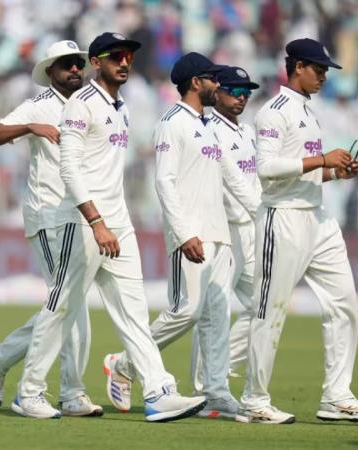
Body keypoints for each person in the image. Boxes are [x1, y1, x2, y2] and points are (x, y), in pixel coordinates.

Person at [13, 32, 206, 422]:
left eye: (129, 56)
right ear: (96, 63)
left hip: (118, 221)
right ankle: (29, 392)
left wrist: (113, 221)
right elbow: (69, 169)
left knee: (134, 311)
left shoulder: (121, 107)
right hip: (85, 222)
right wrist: (96, 221)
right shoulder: (80, 104)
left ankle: (158, 392)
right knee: (62, 306)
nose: (124, 62)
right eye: (115, 56)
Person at [102, 53, 259, 419]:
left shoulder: (208, 124)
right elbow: (164, 182)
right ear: (195, 82)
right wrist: (185, 233)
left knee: (217, 317)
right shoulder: (172, 122)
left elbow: (233, 177)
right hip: (190, 235)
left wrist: (261, 212)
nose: (217, 85)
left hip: (219, 233)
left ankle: (215, 392)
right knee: (185, 311)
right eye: (211, 79)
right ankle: (124, 363)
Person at [236, 38, 358, 424]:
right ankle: (254, 400)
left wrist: (335, 172)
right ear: (297, 67)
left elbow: (305, 172)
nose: (323, 77)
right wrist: (321, 159)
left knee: (343, 303)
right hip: (283, 218)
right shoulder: (273, 112)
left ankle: (337, 396)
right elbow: (266, 169)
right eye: (318, 70)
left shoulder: (309, 112)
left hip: (318, 218)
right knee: (270, 311)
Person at [0, 40, 102, 417]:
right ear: (50, 72)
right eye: (66, 64)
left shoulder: (89, 103)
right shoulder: (39, 104)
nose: (75, 69)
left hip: (80, 215)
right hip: (48, 215)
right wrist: (29, 126)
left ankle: (0, 357)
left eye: (78, 63)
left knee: (68, 304)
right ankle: (68, 392)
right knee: (68, 304)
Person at [190, 66, 262, 396]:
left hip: (249, 228)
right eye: (234, 91)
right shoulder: (209, 129)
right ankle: (204, 386)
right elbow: (230, 181)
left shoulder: (247, 130)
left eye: (246, 92)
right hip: (223, 229)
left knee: (260, 305)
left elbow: (254, 178)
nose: (241, 98)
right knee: (210, 311)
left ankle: (218, 369)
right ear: (216, 92)